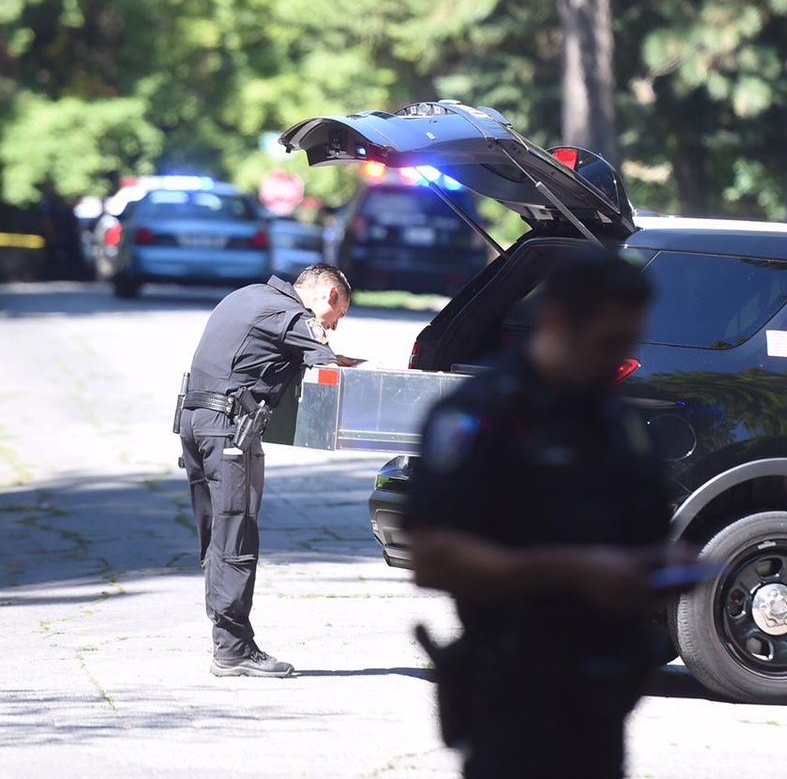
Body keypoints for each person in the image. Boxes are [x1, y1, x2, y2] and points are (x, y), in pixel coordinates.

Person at [405, 251, 677, 779]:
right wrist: (571, 569)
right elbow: (434, 558)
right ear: (556, 321)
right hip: (513, 696)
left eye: (629, 342)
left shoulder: (617, 423)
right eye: (607, 342)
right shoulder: (481, 416)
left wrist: (665, 567)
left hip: (604, 696)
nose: (619, 358)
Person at [178, 264, 357, 677]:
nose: (335, 324)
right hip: (228, 434)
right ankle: (233, 650)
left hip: (195, 423)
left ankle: (228, 640)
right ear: (330, 296)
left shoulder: (246, 295)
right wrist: (328, 348)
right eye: (340, 315)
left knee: (217, 536)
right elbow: (328, 368)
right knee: (236, 537)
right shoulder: (292, 315)